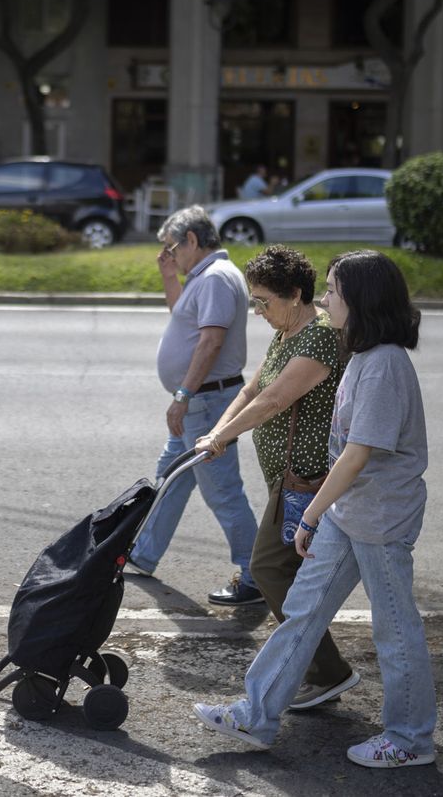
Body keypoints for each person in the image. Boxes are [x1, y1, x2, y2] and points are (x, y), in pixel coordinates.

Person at [194, 249, 436, 770]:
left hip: (380, 519)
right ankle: (256, 715)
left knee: (395, 630)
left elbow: (356, 455)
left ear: (361, 301)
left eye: (333, 292)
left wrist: (310, 514)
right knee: (302, 611)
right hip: (350, 512)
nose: (325, 301)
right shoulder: (364, 355)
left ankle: (410, 739)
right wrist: (325, 513)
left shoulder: (384, 365)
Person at [190, 245, 361, 708]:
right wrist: (216, 432)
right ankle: (317, 668)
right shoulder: (287, 331)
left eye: (264, 302)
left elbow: (275, 400)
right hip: (287, 479)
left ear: (296, 294)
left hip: (307, 481)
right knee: (291, 575)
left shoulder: (319, 336)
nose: (258, 311)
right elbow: (253, 389)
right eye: (256, 302)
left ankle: (327, 671)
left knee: (268, 567)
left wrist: (221, 437)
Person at [126, 205, 262, 607]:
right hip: (200, 401)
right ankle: (143, 553)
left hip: (205, 401)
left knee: (223, 491)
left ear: (191, 240)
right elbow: (183, 320)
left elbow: (211, 341)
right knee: (170, 478)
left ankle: (255, 577)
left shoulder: (216, 277)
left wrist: (182, 395)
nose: (170, 255)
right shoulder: (205, 276)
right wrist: (170, 277)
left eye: (173, 248)